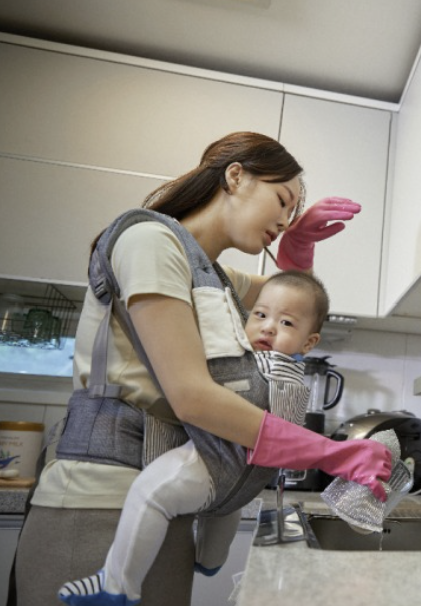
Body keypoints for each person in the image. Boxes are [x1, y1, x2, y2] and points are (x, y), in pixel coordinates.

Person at [13, 132, 392, 606]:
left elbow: (293, 302)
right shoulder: (150, 242)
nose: (284, 219)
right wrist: (330, 453)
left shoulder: (214, 275)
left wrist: (298, 245)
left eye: (292, 212)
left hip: (162, 507)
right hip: (97, 506)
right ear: (236, 177)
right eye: (281, 201)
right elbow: (191, 397)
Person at [58, 270, 329, 605]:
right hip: (243, 484)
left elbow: (271, 428)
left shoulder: (275, 372)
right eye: (260, 315)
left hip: (215, 462)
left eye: (286, 323)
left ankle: (117, 586)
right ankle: (210, 558)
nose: (268, 327)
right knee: (224, 510)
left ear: (309, 343)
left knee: (151, 493)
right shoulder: (277, 369)